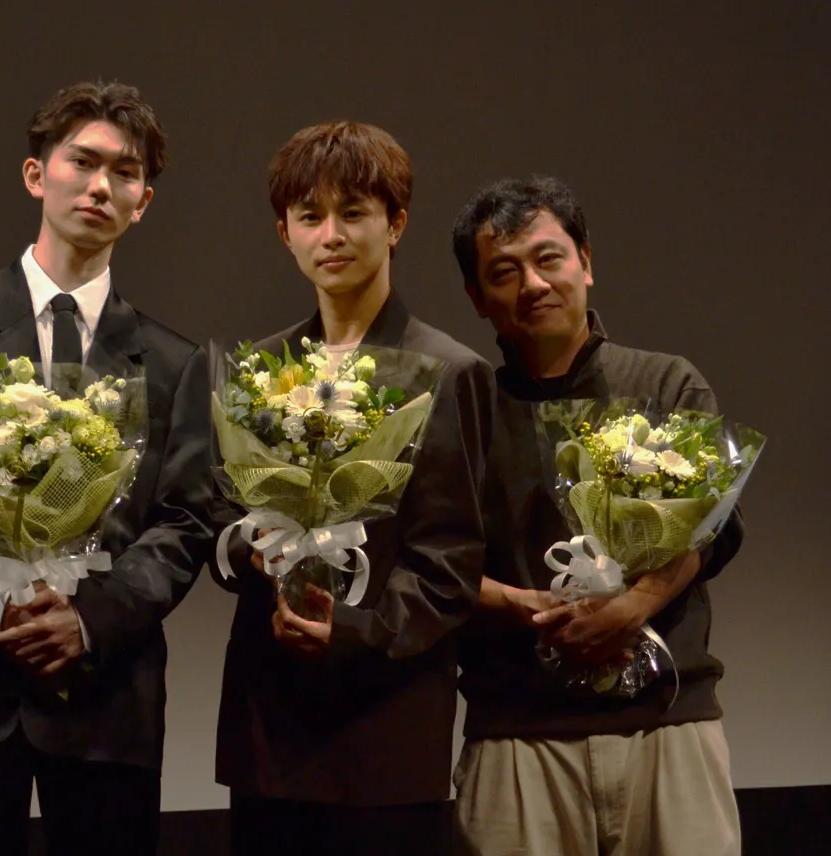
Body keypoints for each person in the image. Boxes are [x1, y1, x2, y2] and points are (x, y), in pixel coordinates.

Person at [0, 80, 214, 856]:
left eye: (123, 173)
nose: (101, 186)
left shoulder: (173, 360)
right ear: (37, 175)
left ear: (143, 201)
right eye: (82, 161)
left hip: (105, 694)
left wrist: (89, 621)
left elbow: (185, 519)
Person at [209, 120, 494, 856]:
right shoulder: (260, 369)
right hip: (270, 732)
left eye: (354, 213)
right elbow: (222, 515)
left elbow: (451, 561)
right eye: (310, 216)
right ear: (286, 233)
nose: (331, 234)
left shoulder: (447, 371)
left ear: (395, 224)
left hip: (385, 730)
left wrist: (355, 629)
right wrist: (251, 549)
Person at [450, 175, 745, 856]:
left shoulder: (667, 382)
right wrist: (520, 605)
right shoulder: (462, 411)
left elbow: (715, 529)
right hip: (518, 735)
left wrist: (632, 606)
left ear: (586, 260)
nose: (533, 283)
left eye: (549, 258)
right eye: (504, 271)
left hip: (668, 725)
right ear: (477, 299)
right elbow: (436, 563)